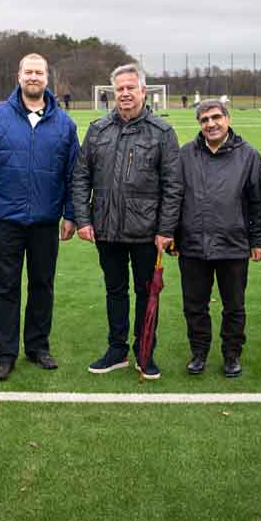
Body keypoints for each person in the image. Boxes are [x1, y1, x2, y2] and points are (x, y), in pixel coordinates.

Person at [72, 62, 181, 379]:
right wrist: (83, 219)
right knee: (114, 290)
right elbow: (81, 177)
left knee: (147, 293)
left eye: (130, 88)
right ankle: (116, 349)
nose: (125, 94)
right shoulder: (97, 130)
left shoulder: (162, 132)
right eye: (119, 89)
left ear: (143, 91)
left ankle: (145, 352)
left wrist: (166, 229)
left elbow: (173, 185)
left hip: (147, 233)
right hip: (106, 228)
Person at [0, 53, 80, 381]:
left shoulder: (64, 123)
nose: (34, 77)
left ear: (48, 78)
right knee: (3, 289)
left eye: (39, 72)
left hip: (47, 220)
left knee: (42, 285)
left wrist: (71, 214)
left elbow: (73, 174)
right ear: (18, 76)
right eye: (28, 72)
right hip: (7, 218)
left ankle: (37, 347)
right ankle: (4, 355)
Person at [177, 99, 261, 378]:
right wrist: (171, 234)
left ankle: (231, 355)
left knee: (234, 306)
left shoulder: (249, 155)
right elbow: (174, 198)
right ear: (199, 125)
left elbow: (259, 202)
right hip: (192, 245)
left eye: (216, 117)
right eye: (204, 120)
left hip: (234, 244)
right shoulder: (185, 155)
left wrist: (260, 239)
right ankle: (199, 352)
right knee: (194, 306)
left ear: (227, 118)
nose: (211, 124)